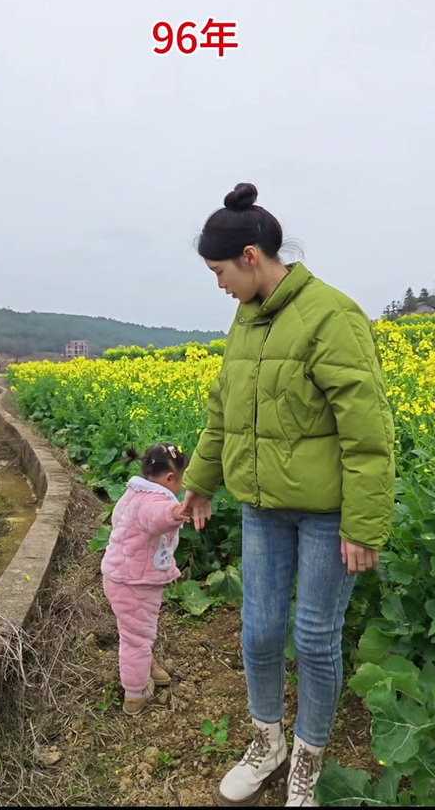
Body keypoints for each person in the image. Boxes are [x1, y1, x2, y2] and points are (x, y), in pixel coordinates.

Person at [181, 182, 395, 807]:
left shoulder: (332, 316)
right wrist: (198, 482)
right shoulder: (246, 321)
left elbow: (368, 431)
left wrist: (365, 522)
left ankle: (308, 754)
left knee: (315, 635)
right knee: (259, 630)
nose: (218, 284)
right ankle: (266, 740)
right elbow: (224, 414)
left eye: (220, 271)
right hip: (262, 508)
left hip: (330, 516)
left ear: (251, 256)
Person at [101, 442, 190, 715]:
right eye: (182, 480)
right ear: (170, 478)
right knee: (136, 639)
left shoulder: (134, 491)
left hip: (120, 577)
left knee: (135, 632)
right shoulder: (155, 501)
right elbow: (157, 517)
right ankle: (135, 693)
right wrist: (178, 511)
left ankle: (144, 665)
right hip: (134, 584)